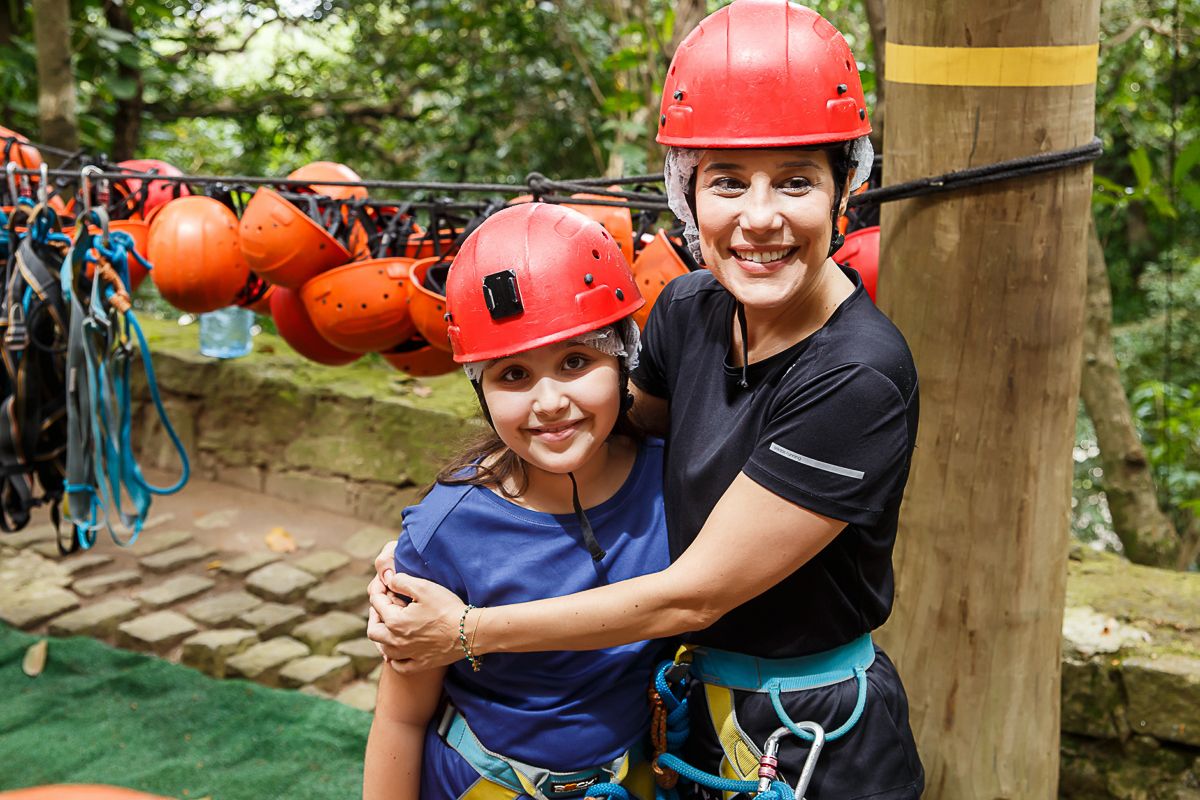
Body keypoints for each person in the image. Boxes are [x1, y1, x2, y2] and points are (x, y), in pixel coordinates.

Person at [368, 2, 924, 797]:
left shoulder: (857, 376)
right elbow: (589, 426)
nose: (759, 217)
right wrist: (442, 539)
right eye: (727, 183)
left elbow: (693, 595)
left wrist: (461, 630)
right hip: (687, 714)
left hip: (811, 735)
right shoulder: (690, 310)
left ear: (846, 185)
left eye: (796, 180)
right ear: (687, 195)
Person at [362, 203, 670, 800]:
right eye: (513, 375)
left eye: (576, 361)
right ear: (480, 388)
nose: (550, 401)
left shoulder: (671, 481)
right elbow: (401, 715)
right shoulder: (446, 533)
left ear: (623, 358)